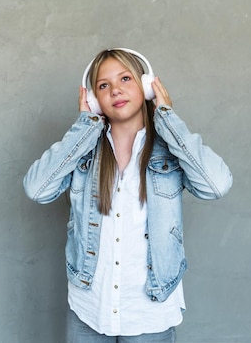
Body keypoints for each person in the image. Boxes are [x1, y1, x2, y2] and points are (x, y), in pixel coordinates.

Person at [23, 48, 233, 342]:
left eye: (125, 78)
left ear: (147, 86)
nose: (116, 90)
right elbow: (37, 188)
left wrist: (167, 118)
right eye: (103, 85)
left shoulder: (170, 152)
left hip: (149, 312)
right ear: (94, 100)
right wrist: (84, 127)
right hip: (89, 309)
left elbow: (216, 184)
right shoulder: (85, 153)